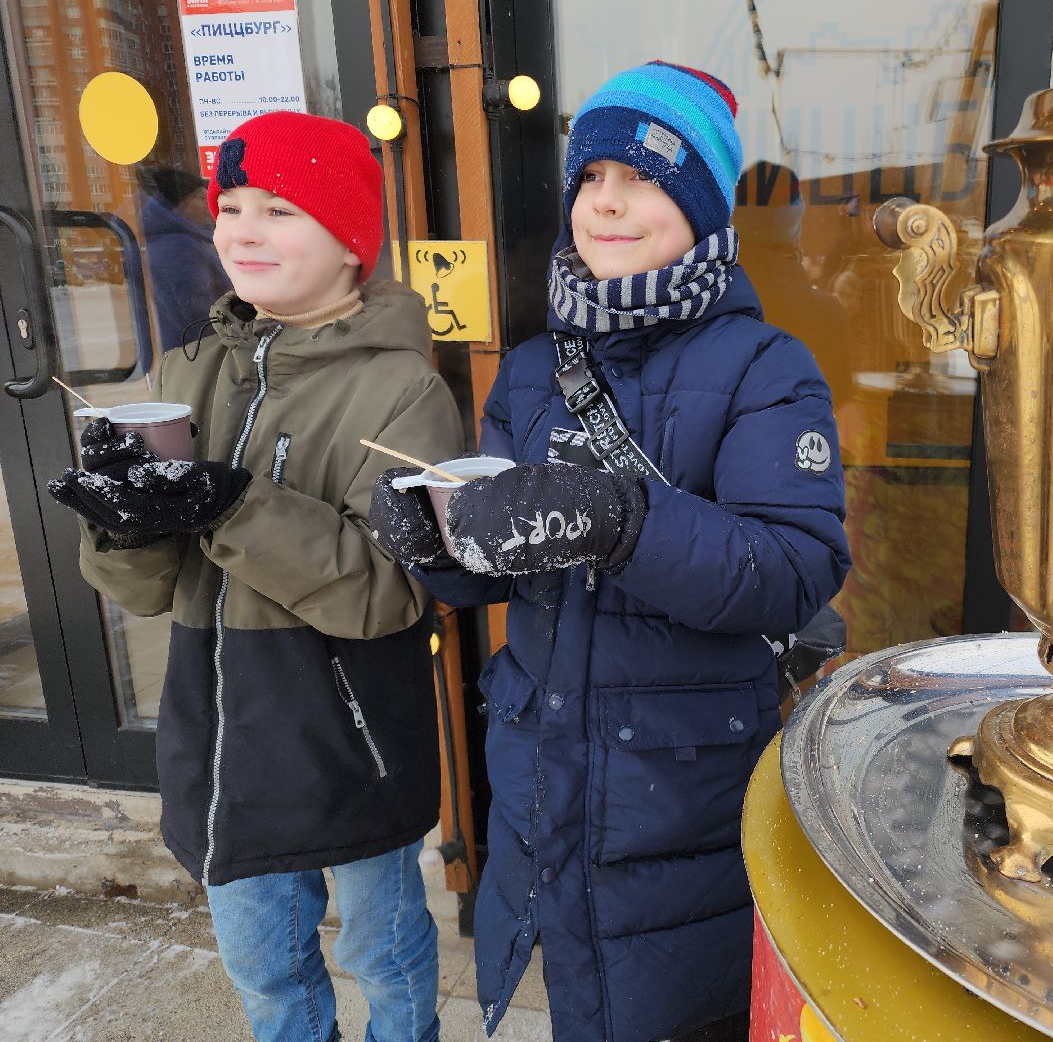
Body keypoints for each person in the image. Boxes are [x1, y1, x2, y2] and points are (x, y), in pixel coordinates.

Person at [370, 62, 851, 1042]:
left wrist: (621, 519)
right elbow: (503, 549)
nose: (609, 202)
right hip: (547, 786)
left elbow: (794, 566)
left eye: (644, 178)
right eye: (591, 178)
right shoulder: (538, 366)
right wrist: (437, 540)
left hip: (683, 806)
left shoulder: (765, 368)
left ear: (704, 204)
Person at [49, 111, 464, 1042]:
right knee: (264, 970)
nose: (241, 228)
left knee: (383, 953)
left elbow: (385, 591)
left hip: (348, 742)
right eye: (230, 205)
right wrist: (125, 522)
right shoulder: (188, 368)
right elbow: (147, 589)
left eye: (279, 208)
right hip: (220, 745)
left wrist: (232, 503)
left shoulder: (403, 389)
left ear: (352, 242)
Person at [140, 167, 230, 352]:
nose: (208, 203)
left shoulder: (185, 237)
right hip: (196, 351)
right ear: (181, 203)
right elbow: (196, 312)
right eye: (199, 197)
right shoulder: (178, 247)